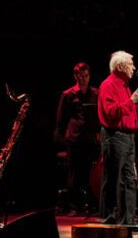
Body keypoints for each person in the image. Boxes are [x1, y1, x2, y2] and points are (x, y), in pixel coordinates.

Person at [98, 50, 138, 225]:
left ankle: (128, 220)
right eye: (131, 64)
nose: (134, 68)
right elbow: (111, 113)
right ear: (120, 66)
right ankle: (109, 218)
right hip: (114, 136)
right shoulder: (108, 85)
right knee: (114, 179)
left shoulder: (124, 85)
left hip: (129, 137)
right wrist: (131, 101)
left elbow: (129, 112)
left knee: (130, 179)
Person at [54, 62, 101, 215]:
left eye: (86, 76)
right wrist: (61, 139)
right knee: (74, 174)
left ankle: (91, 206)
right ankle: (74, 206)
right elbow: (61, 120)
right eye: (80, 76)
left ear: (89, 76)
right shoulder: (68, 94)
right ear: (75, 76)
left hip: (91, 139)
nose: (83, 79)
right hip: (74, 139)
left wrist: (100, 132)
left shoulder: (96, 93)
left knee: (91, 174)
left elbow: (101, 115)